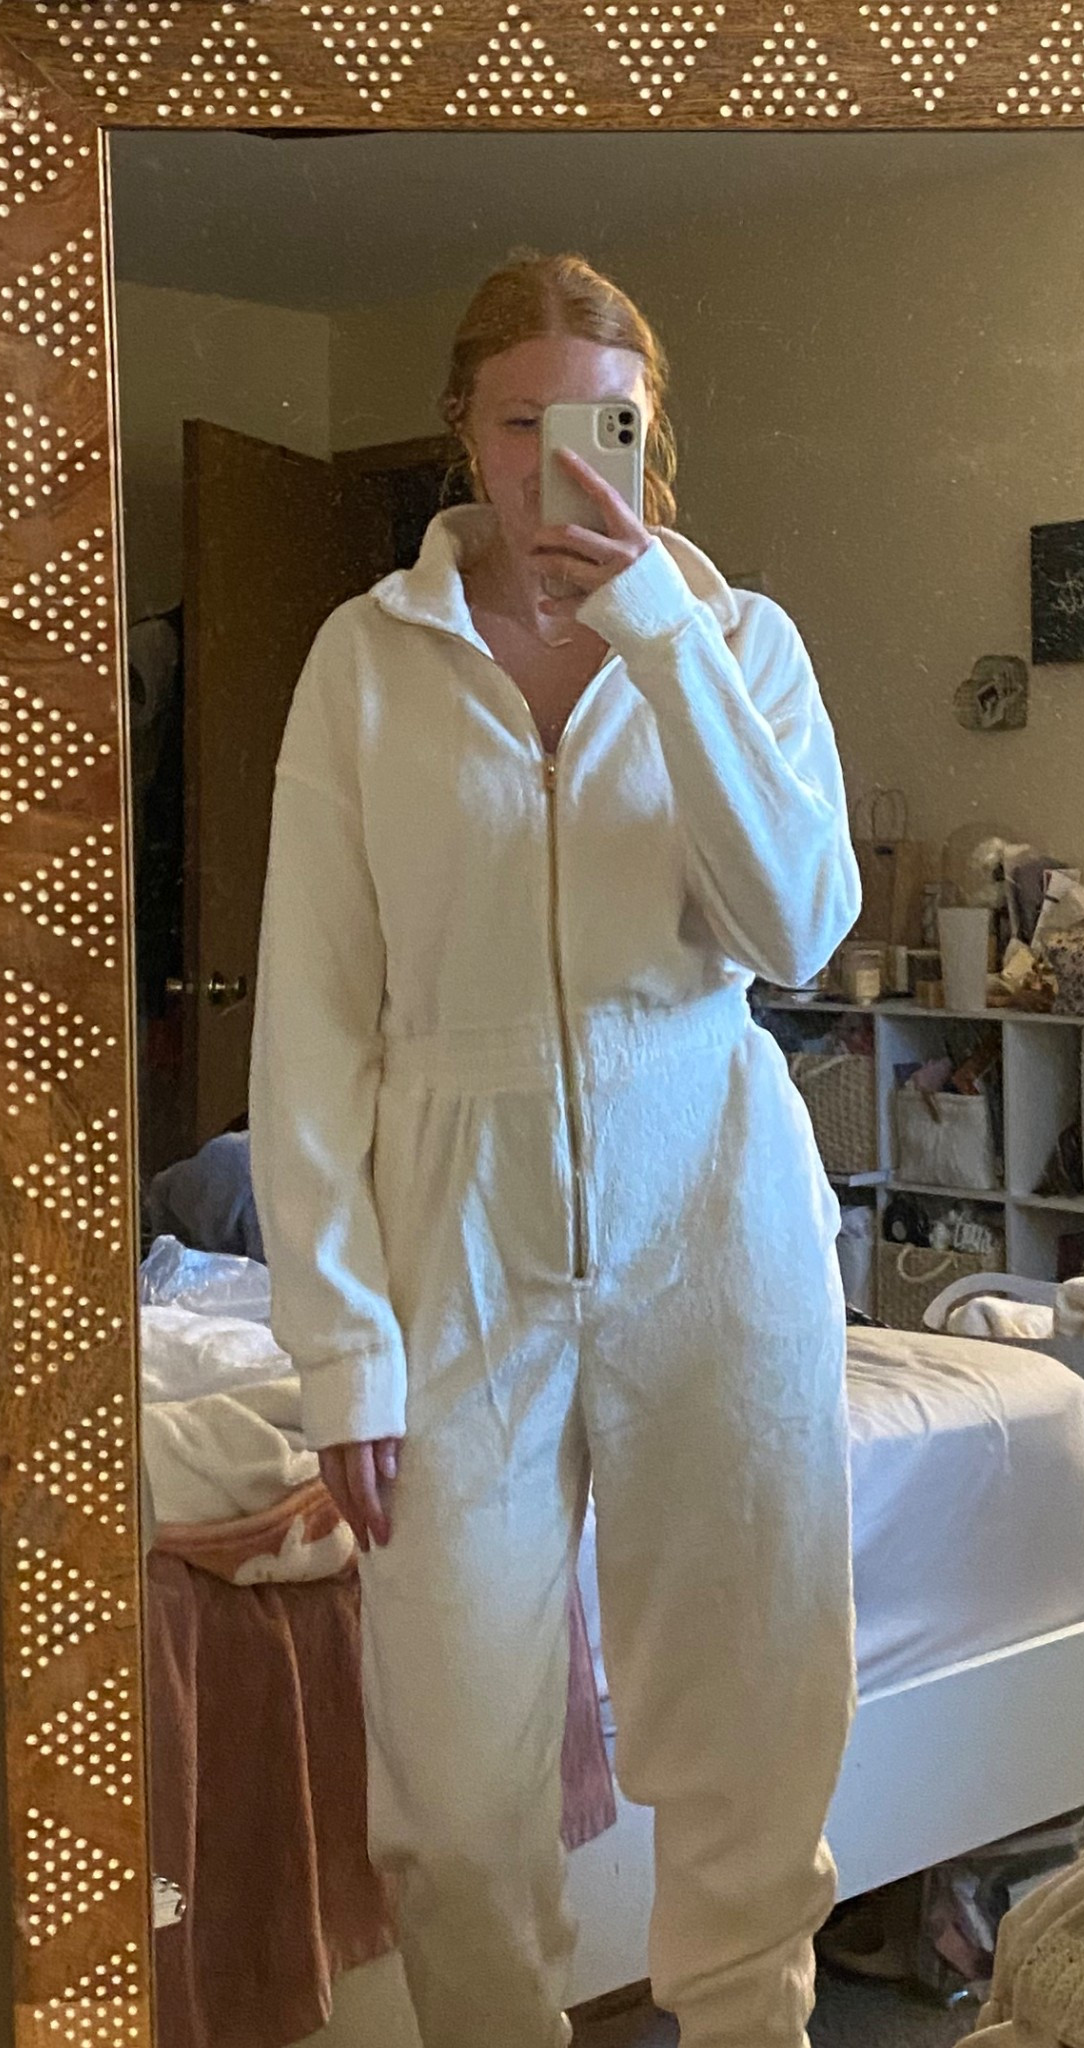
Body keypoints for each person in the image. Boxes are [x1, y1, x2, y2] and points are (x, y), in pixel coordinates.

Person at [248, 250, 861, 2048]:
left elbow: (797, 925)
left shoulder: (741, 644)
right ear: (465, 430)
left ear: (652, 439)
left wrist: (659, 634)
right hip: (456, 1229)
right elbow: (312, 1026)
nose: (555, 463)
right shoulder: (364, 663)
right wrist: (340, 1344)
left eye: (603, 424)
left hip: (715, 1213)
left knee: (753, 1740)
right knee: (450, 1802)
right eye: (520, 422)